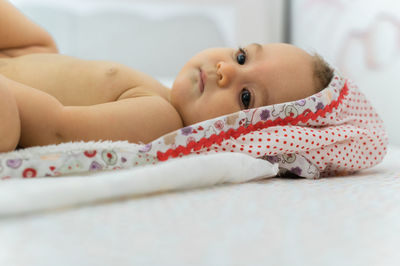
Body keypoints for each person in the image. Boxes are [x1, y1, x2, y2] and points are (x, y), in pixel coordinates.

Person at [0, 0, 334, 153]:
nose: (226, 70)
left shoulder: (160, 120)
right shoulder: (159, 94)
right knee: (40, 42)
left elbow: (58, 128)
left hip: (16, 107)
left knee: (7, 123)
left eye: (246, 97)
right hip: (25, 58)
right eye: (241, 56)